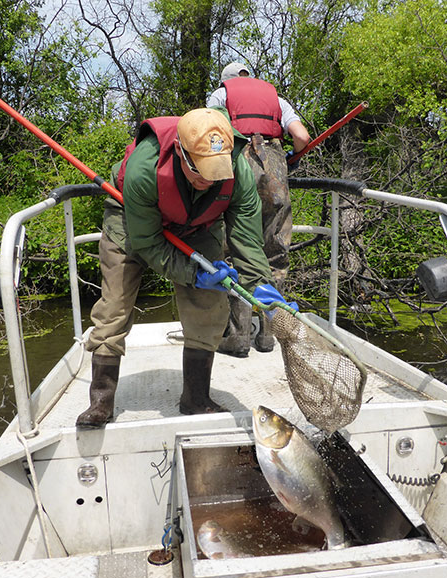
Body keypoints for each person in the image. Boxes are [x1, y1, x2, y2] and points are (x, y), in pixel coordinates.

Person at [77, 107, 295, 428]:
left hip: (199, 224)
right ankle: (101, 401)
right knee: (114, 306)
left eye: (216, 172)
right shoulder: (143, 170)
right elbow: (148, 244)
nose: (209, 181)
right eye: (202, 171)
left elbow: (247, 242)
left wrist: (262, 289)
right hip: (133, 222)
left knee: (209, 304)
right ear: (181, 152)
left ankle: (195, 398)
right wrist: (195, 274)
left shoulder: (238, 171)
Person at [207, 62, 311, 358]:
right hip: (275, 170)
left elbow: (211, 137)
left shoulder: (220, 94)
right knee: (275, 251)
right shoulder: (276, 99)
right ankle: (267, 336)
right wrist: (292, 157)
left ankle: (238, 337)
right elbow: (301, 137)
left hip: (238, 171)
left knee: (234, 251)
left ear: (227, 81)